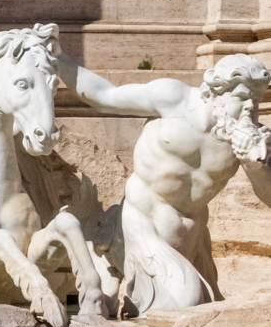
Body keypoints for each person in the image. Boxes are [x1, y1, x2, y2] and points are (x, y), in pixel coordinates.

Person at [58, 52, 271, 311]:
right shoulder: (174, 98)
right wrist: (58, 59)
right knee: (185, 303)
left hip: (192, 238)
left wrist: (257, 166)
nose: (250, 108)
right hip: (142, 222)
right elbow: (104, 96)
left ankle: (117, 270)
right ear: (214, 93)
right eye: (242, 97)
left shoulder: (250, 141)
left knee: (203, 307)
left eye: (256, 100)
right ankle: (110, 253)